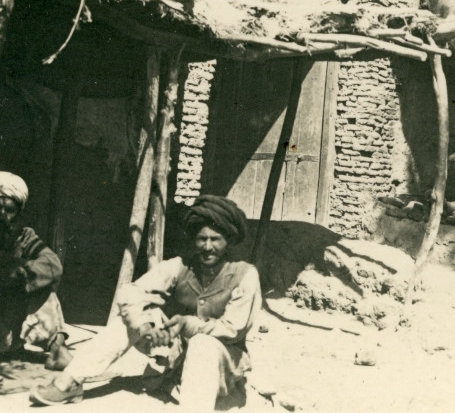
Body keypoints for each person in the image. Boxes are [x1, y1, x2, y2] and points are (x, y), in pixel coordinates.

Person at [30, 195, 261, 409]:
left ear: (228, 241)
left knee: (203, 343)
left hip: (222, 365)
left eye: (215, 239)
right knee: (131, 318)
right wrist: (144, 326)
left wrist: (187, 324)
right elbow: (131, 292)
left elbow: (232, 329)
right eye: (202, 239)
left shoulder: (244, 274)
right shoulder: (180, 266)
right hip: (176, 359)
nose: (208, 247)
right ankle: (68, 383)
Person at [0, 172, 71, 371]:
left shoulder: (23, 237)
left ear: (18, 212)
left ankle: (58, 350)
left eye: (9, 210)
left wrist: (17, 274)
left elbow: (52, 264)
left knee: (42, 289)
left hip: (7, 328)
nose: (2, 215)